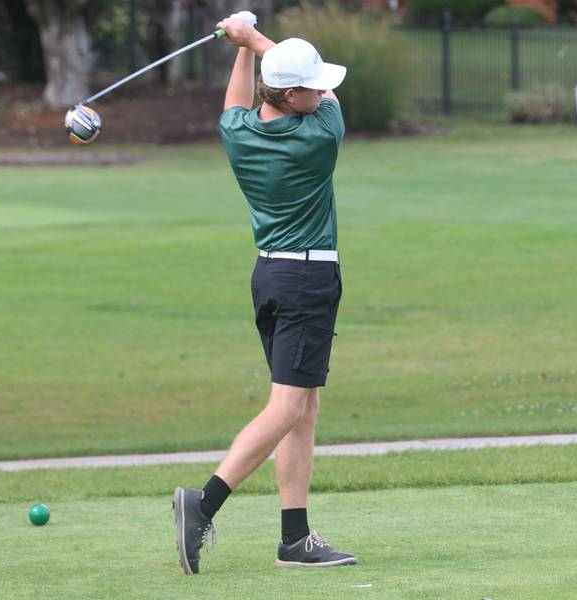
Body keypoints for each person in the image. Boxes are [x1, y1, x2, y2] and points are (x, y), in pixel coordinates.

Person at [172, 15, 355, 575]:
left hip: (270, 279)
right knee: (288, 408)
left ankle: (294, 538)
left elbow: (240, 99)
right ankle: (203, 503)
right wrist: (252, 38)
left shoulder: (239, 132)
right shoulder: (322, 132)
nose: (325, 89)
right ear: (294, 94)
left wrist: (244, 47)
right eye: (314, 84)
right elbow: (313, 93)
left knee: (303, 406)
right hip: (307, 282)